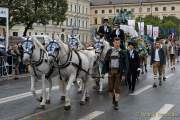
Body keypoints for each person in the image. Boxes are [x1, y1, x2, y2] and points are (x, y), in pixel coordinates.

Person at [101, 37, 128, 110]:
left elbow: (126, 64)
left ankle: (116, 102)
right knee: (110, 89)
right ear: (113, 43)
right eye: (116, 43)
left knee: (117, 88)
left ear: (120, 43)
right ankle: (114, 98)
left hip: (119, 72)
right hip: (110, 72)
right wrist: (103, 72)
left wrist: (124, 74)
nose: (117, 44)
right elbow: (105, 62)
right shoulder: (109, 51)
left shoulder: (123, 52)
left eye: (118, 43)